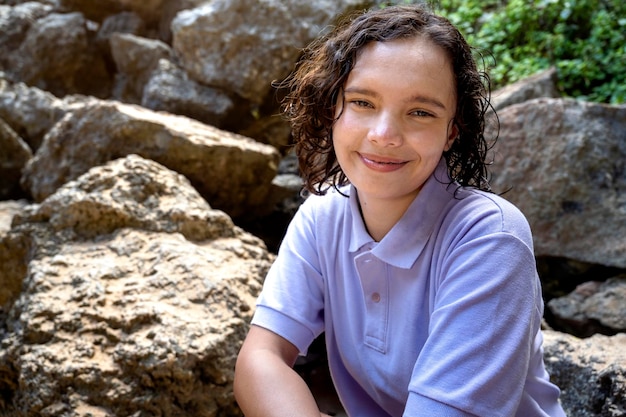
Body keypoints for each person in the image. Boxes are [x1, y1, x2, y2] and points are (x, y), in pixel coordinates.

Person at [234, 4, 566, 417]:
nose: (384, 135)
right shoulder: (323, 216)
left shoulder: (489, 238)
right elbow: (260, 358)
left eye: (420, 112)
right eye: (362, 102)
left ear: (451, 132)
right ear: (332, 107)